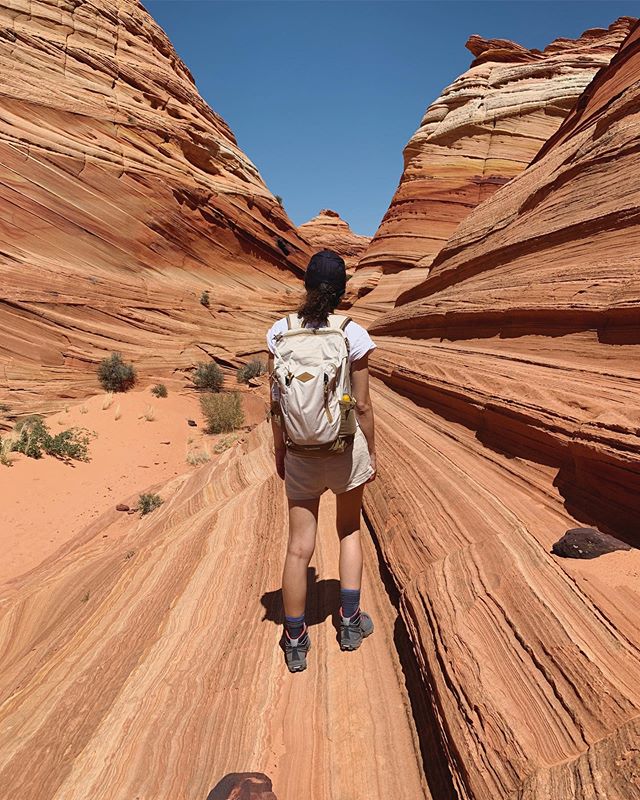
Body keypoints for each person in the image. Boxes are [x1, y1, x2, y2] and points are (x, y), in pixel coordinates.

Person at [266, 250, 377, 673]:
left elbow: (276, 403)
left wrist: (280, 449)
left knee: (299, 548)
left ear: (308, 286)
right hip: (344, 450)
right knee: (349, 529)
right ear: (342, 289)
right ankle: (350, 623)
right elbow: (363, 405)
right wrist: (373, 451)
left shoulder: (280, 332)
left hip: (300, 453)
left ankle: (295, 639)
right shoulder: (353, 333)